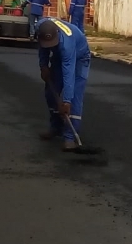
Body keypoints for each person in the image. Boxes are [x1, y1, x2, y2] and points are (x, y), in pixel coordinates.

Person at [36, 17, 91, 151]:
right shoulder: (41, 27)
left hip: (79, 59)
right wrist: (43, 66)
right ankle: (56, 127)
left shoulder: (67, 44)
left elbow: (69, 74)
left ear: (57, 36)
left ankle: (70, 137)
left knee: (74, 97)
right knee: (51, 91)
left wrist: (66, 101)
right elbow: (42, 48)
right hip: (58, 56)